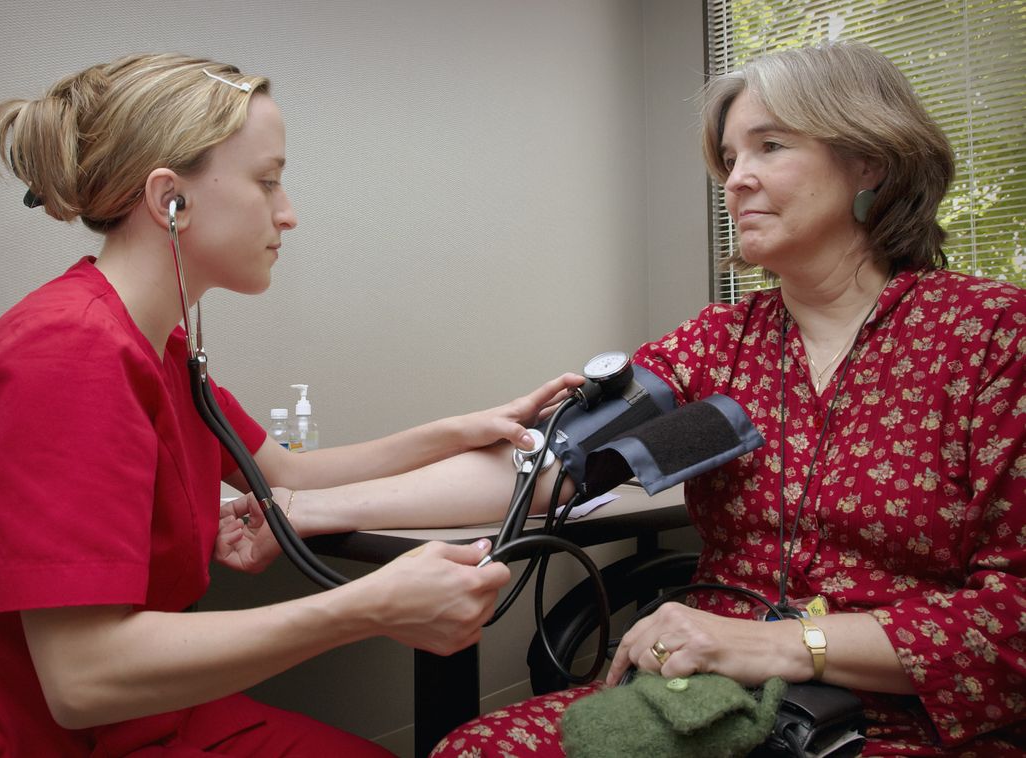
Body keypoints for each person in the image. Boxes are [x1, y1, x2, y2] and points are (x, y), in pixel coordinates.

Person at [0, 53, 584, 756]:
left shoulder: (153, 345)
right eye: (267, 181)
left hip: (147, 719)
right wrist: (368, 607)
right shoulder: (68, 353)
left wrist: (457, 428)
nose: (289, 213)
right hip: (16, 737)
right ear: (170, 200)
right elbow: (81, 679)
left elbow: (289, 474)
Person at [429, 41, 1025, 757]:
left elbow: (1013, 613)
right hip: (701, 701)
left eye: (769, 147)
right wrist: (302, 507)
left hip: (903, 719)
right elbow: (553, 467)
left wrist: (781, 645)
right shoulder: (723, 346)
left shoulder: (992, 336)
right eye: (730, 159)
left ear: (870, 161)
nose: (736, 180)